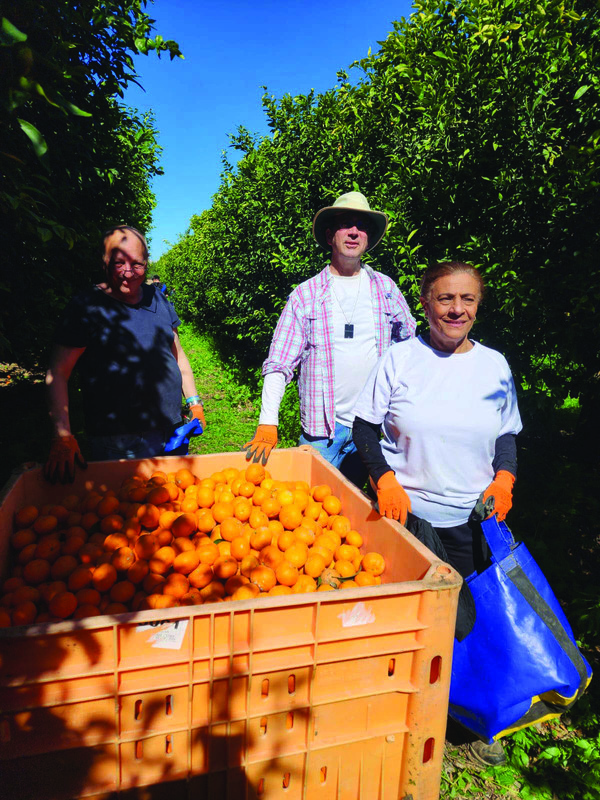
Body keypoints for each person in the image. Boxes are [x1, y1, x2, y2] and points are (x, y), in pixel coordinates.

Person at [352, 260, 522, 766]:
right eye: (445, 299)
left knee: (470, 622)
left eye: (467, 300)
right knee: (417, 622)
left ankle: (467, 717)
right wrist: (383, 478)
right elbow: (365, 427)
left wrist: (505, 478)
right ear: (424, 303)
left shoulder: (493, 365)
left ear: (478, 306)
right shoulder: (399, 359)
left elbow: (506, 433)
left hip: (474, 517)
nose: (456, 309)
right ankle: (406, 714)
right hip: (412, 517)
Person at [242, 191, 416, 485]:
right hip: (322, 433)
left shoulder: (386, 289)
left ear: (368, 238)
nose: (353, 232)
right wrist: (268, 421)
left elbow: (409, 347)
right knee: (310, 511)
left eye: (361, 226)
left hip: (374, 428)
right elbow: (279, 364)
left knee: (362, 516)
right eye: (345, 224)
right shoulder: (305, 295)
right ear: (329, 235)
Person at [44, 225, 206, 482]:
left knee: (173, 502)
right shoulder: (87, 307)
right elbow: (58, 373)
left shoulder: (158, 299)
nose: (128, 273)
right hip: (119, 440)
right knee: (126, 512)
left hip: (173, 429)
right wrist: (63, 435)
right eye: (119, 263)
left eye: (137, 264)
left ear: (146, 263)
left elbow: (178, 355)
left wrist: (194, 402)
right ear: (104, 262)